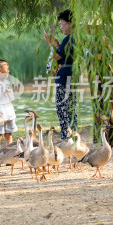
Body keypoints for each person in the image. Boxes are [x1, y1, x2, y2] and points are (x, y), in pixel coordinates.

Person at [43, 9, 77, 141]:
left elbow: (57, 57)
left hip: (65, 76)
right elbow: (63, 56)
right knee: (71, 106)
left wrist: (51, 45)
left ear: (69, 23)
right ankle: (73, 135)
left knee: (62, 106)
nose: (61, 27)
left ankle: (65, 136)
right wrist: (57, 44)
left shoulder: (69, 38)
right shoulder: (73, 38)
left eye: (62, 24)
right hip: (72, 75)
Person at [90, 34, 113, 145]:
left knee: (106, 109)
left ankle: (111, 137)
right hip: (98, 80)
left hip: (106, 80)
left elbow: (102, 57)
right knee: (99, 108)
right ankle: (103, 137)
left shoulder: (101, 40)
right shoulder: (92, 40)